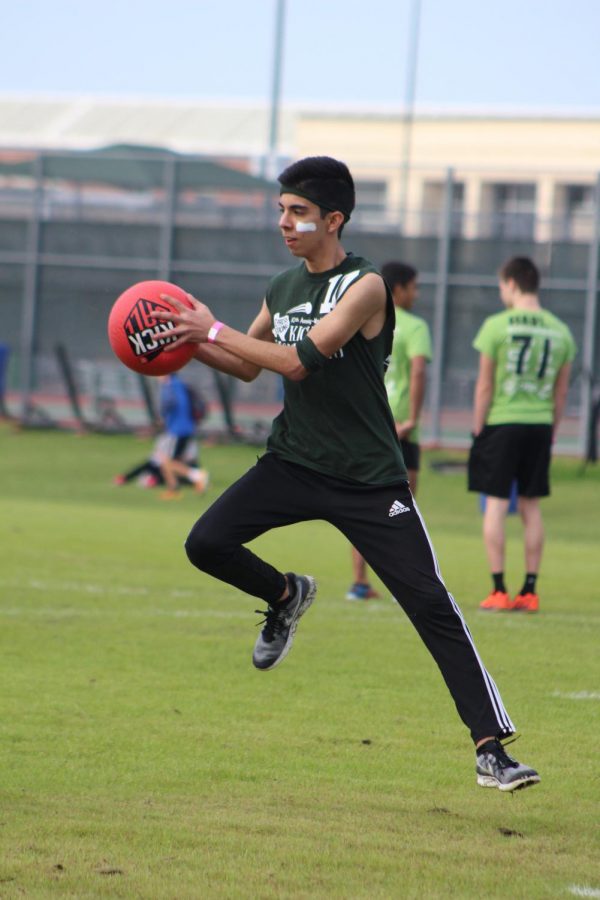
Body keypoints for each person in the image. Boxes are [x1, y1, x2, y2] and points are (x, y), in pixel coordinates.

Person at [153, 156, 539, 792]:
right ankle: (285, 596)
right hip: (295, 461)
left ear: (334, 219)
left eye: (298, 213)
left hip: (368, 478)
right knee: (205, 543)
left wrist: (210, 326)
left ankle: (491, 748)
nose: (285, 222)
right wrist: (183, 342)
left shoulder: (366, 286)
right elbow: (248, 364)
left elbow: (298, 362)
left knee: (430, 605)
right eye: (281, 210)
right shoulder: (281, 286)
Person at [468, 256, 576, 613]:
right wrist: (553, 428)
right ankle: (529, 590)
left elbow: (485, 384)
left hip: (502, 421)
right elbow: (561, 393)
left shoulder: (497, 326)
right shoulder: (560, 330)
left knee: (496, 505)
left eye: (502, 286)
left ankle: (498, 589)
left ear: (512, 284)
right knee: (531, 507)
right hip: (540, 424)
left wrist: (478, 426)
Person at [346, 261, 432, 601]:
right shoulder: (414, 327)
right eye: (415, 287)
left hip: (368, 425)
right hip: (400, 428)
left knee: (361, 508)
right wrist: (411, 419)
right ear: (399, 289)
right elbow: (419, 373)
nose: (416, 294)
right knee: (402, 509)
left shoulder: (364, 318)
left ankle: (359, 583)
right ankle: (407, 584)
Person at [156, 373, 209, 500]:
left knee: (165, 461)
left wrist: (163, 415)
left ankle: (197, 475)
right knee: (168, 461)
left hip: (177, 430)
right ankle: (173, 489)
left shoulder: (169, 386)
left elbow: (169, 403)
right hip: (186, 428)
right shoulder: (180, 384)